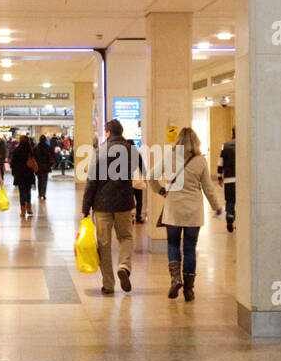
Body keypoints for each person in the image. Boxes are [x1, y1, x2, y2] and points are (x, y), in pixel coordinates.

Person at [154, 127, 224, 301]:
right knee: (190, 249)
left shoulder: (170, 157)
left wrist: (161, 190)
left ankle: (175, 279)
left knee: (172, 245)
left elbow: (150, 176)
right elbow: (208, 187)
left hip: (173, 209)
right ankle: (189, 289)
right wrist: (217, 207)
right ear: (196, 142)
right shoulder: (200, 161)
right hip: (193, 211)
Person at [81, 119, 143, 294]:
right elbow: (141, 170)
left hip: (102, 205)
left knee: (104, 244)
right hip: (124, 203)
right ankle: (123, 265)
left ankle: (108, 285)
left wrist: (85, 207)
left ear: (108, 132)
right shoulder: (131, 150)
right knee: (126, 237)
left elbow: (91, 181)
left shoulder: (100, 151)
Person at [10, 133, 37, 218]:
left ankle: (23, 211)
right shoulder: (30, 150)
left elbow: (13, 163)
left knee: (22, 193)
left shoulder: (17, 150)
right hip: (28, 174)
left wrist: (13, 172)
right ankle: (29, 209)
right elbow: (33, 161)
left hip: (20, 174)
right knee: (28, 192)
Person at [219, 129, 236, 232]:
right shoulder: (245, 145)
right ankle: (241, 222)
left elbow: (220, 162)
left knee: (230, 201)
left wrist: (219, 176)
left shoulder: (225, 145)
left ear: (232, 133)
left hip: (229, 180)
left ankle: (229, 216)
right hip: (243, 180)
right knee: (242, 202)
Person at [34, 134, 54, 201]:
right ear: (45, 140)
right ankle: (44, 194)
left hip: (38, 167)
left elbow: (34, 157)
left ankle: (39, 194)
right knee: (44, 181)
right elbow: (51, 157)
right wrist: (50, 165)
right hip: (46, 167)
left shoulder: (36, 147)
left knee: (39, 180)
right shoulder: (48, 147)